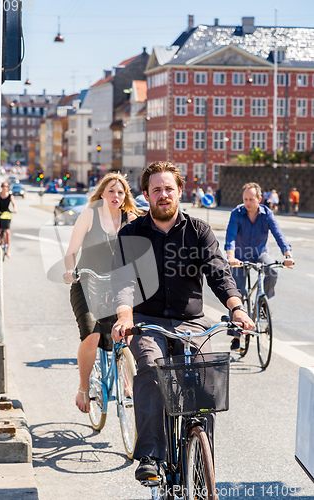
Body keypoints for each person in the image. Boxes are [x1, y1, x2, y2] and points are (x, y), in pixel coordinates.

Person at [111, 161, 255, 481]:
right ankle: (151, 455)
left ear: (180, 192)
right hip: (146, 320)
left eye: (169, 189)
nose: (164, 195)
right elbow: (122, 283)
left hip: (190, 322)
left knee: (204, 382)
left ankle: (203, 461)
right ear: (147, 195)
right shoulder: (132, 233)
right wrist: (124, 317)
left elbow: (219, 274)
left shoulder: (198, 230)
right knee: (150, 367)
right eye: (157, 190)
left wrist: (237, 309)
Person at [63, 173, 138, 413]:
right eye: (111, 191)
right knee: (92, 335)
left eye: (121, 192)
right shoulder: (89, 215)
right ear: (102, 194)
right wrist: (69, 271)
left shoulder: (131, 219)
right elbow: (71, 251)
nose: (116, 195)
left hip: (118, 286)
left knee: (127, 333)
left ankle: (128, 382)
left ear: (125, 196)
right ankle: (83, 387)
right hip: (87, 282)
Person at [224, 182, 294, 350]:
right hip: (239, 257)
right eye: (245, 199)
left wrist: (287, 254)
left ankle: (263, 302)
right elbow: (231, 236)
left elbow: (278, 234)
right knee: (236, 293)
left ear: (259, 199)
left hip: (259, 254)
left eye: (251, 199)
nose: (247, 203)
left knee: (272, 270)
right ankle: (235, 335)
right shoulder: (237, 213)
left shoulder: (267, 214)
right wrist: (231, 257)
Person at [0, 182, 17, 258]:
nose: (4, 187)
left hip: (6, 215)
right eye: (3, 186)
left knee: (7, 232)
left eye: (6, 186)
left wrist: (15, 209)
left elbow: (14, 204)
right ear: (1, 187)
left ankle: (7, 250)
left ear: (8, 187)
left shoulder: (10, 196)